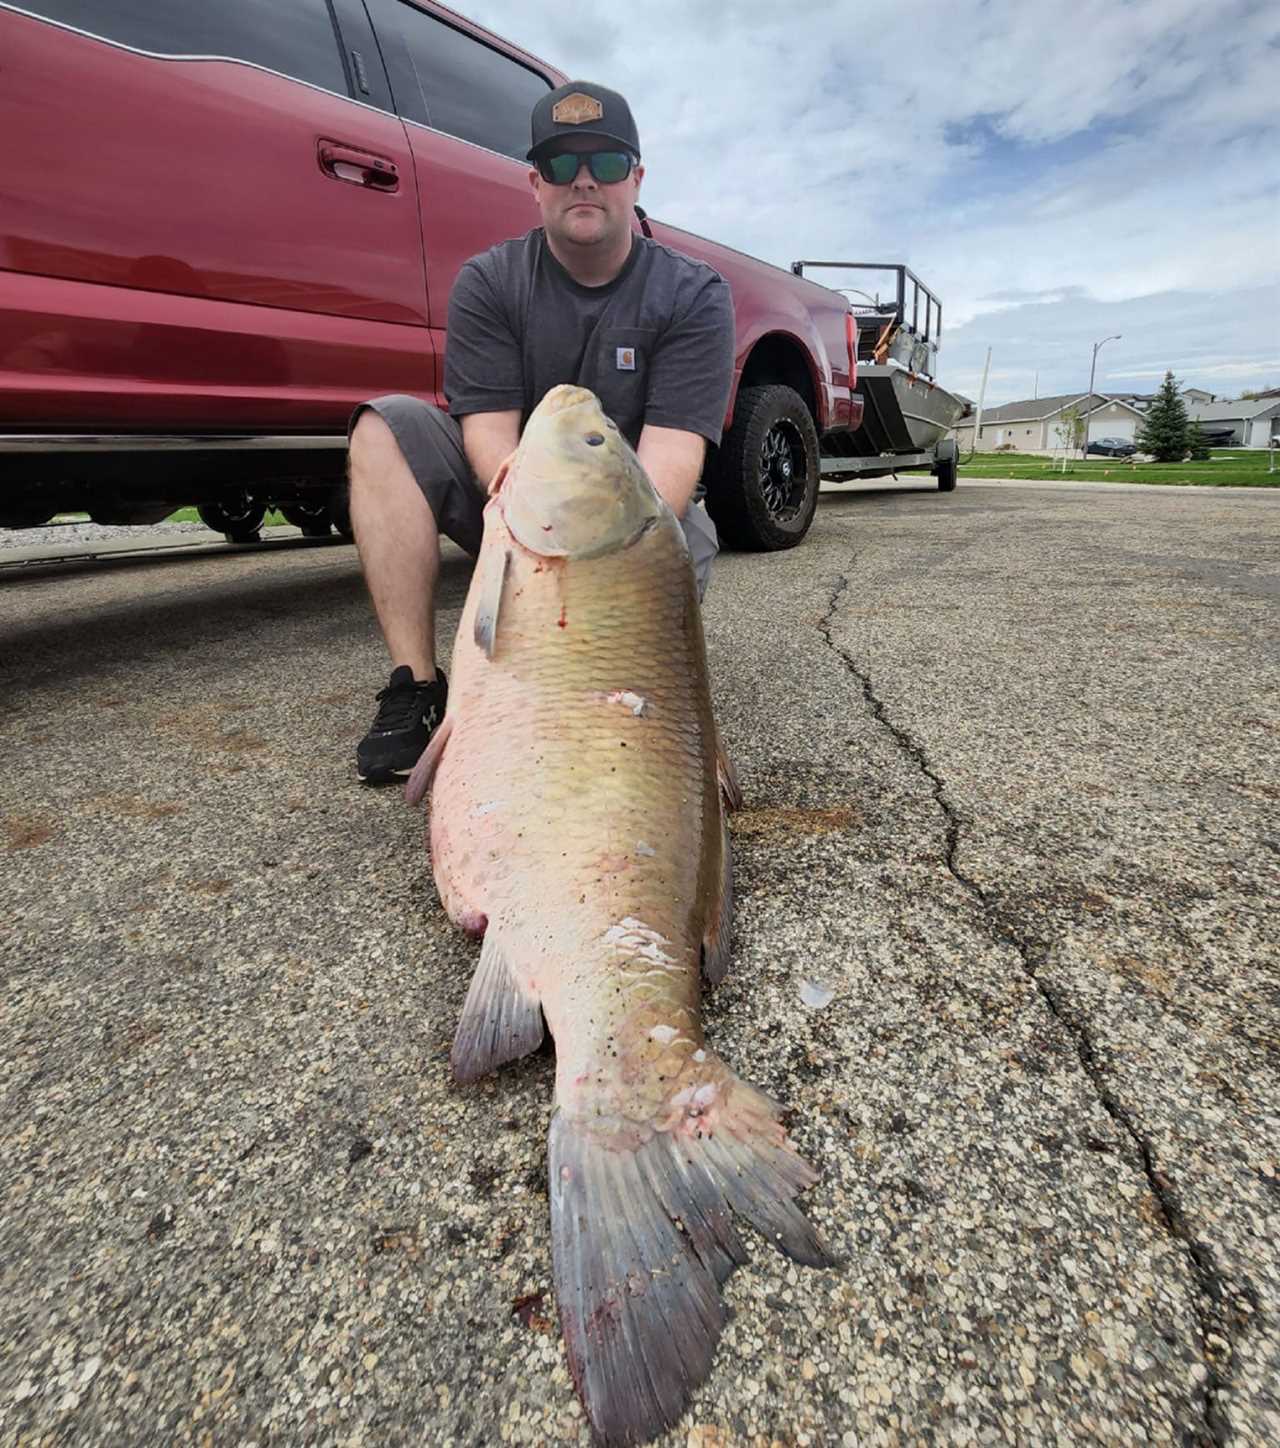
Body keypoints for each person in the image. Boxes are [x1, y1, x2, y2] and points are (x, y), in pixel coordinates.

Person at [347, 80, 735, 784]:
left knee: (694, 531)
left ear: (636, 178)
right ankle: (416, 685)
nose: (583, 179)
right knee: (385, 427)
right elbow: (488, 436)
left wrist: (590, 548)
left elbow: (671, 466)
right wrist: (532, 520)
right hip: (516, 507)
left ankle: (609, 687)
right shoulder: (490, 282)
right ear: (535, 183)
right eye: (560, 165)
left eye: (607, 163)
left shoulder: (693, 293)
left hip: (626, 522)